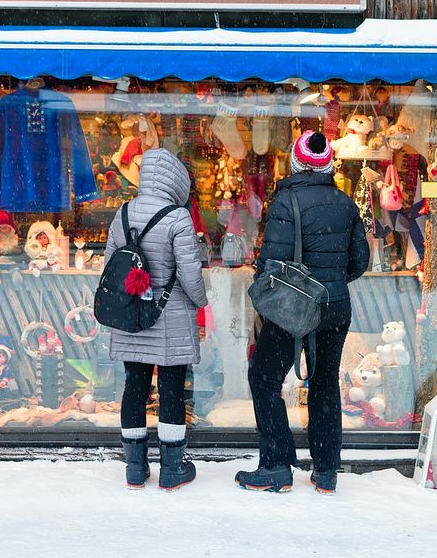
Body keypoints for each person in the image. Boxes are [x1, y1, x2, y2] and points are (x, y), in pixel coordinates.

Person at [236, 131, 369, 495]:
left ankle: (277, 465)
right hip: (335, 307)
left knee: (264, 378)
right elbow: (360, 261)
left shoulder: (286, 201)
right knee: (325, 383)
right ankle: (326, 471)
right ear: (327, 164)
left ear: (296, 162)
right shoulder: (345, 203)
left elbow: (270, 264)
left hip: (293, 308)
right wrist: (330, 281)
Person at [105, 147, 207, 491]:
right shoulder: (178, 217)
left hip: (132, 313)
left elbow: (110, 268)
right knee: (171, 390)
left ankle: (135, 467)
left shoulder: (121, 213)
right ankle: (172, 467)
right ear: (175, 178)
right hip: (170, 315)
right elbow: (190, 273)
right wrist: (202, 303)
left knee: (134, 386)